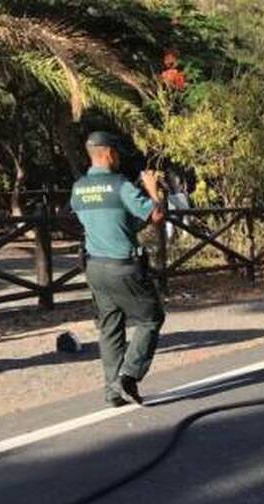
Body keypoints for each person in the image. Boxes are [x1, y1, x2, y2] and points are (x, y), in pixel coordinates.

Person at [69, 131, 165, 407]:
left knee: (110, 328)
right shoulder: (120, 185)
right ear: (109, 153)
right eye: (117, 153)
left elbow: (108, 221)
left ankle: (112, 391)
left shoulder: (78, 188)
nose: (119, 157)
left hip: (95, 267)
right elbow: (156, 215)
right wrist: (152, 189)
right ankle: (129, 374)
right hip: (123, 266)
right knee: (151, 318)